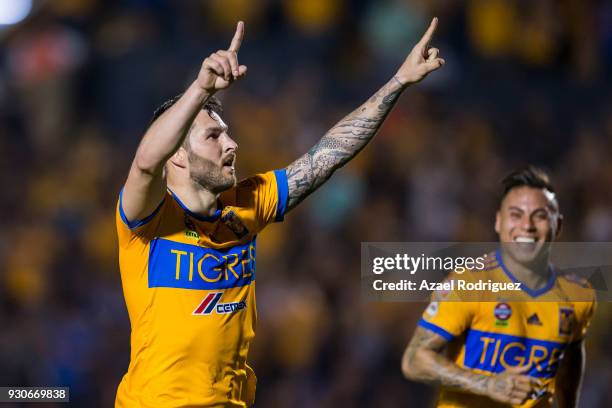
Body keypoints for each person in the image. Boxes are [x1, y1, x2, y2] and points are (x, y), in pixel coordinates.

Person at [115, 18, 445, 407]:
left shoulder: (248, 205)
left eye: (227, 132)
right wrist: (200, 88)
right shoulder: (148, 222)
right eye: (213, 135)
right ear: (179, 157)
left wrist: (398, 83)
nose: (232, 144)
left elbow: (330, 154)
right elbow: (145, 164)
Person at [401, 166, 597, 408]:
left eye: (540, 215)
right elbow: (414, 360)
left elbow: (570, 360)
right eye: (516, 214)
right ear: (498, 222)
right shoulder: (468, 284)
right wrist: (488, 384)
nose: (527, 226)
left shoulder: (579, 294)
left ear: (558, 225)